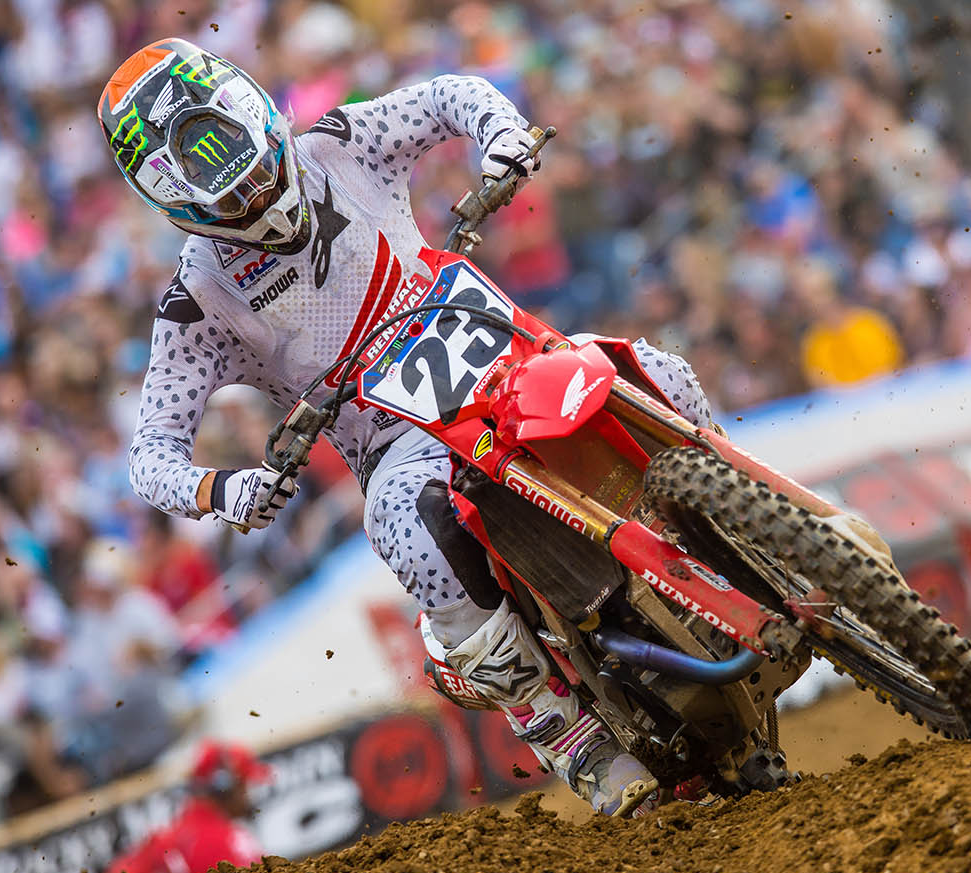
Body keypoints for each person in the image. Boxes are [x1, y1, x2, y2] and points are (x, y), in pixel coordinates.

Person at [97, 38, 716, 817]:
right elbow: (150, 455)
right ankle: (569, 736)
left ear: (255, 115)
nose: (259, 188)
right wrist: (224, 489)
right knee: (409, 531)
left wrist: (501, 136)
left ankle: (742, 539)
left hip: (512, 356)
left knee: (661, 377)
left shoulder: (336, 141)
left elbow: (446, 97)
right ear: (179, 200)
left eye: (256, 161)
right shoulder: (199, 300)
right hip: (396, 442)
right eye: (233, 193)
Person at [103, 740, 269, 873]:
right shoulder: (222, 841)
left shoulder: (185, 830)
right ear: (224, 787)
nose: (248, 796)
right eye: (245, 786)